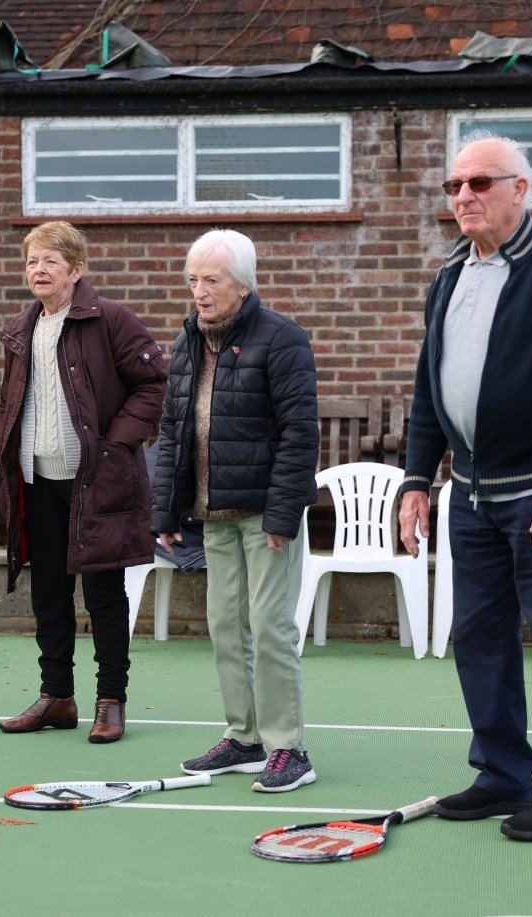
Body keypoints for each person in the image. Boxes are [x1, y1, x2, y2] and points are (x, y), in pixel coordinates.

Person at [399, 135, 532, 841]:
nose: (463, 196)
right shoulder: (449, 274)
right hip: (468, 494)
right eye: (454, 185)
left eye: (480, 183)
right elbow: (429, 389)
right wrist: (415, 480)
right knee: (480, 640)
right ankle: (500, 775)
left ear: (520, 189)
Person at [152, 229, 320, 792]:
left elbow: (300, 435)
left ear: (243, 285)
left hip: (265, 515)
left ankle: (288, 749)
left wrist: (282, 516)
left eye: (211, 280)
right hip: (212, 512)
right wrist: (167, 512)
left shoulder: (281, 338)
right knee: (226, 628)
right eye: (193, 280)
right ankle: (244, 738)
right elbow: (174, 432)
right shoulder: (188, 342)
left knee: (269, 628)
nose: (199, 291)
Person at [0, 221, 167, 744]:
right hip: (37, 480)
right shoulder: (22, 328)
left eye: (50, 263)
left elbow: (155, 381)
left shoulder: (109, 318)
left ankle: (111, 701)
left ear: (76, 270)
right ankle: (57, 697)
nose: (38, 271)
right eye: (31, 262)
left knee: (105, 595)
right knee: (49, 594)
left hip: (98, 481)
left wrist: (116, 443)